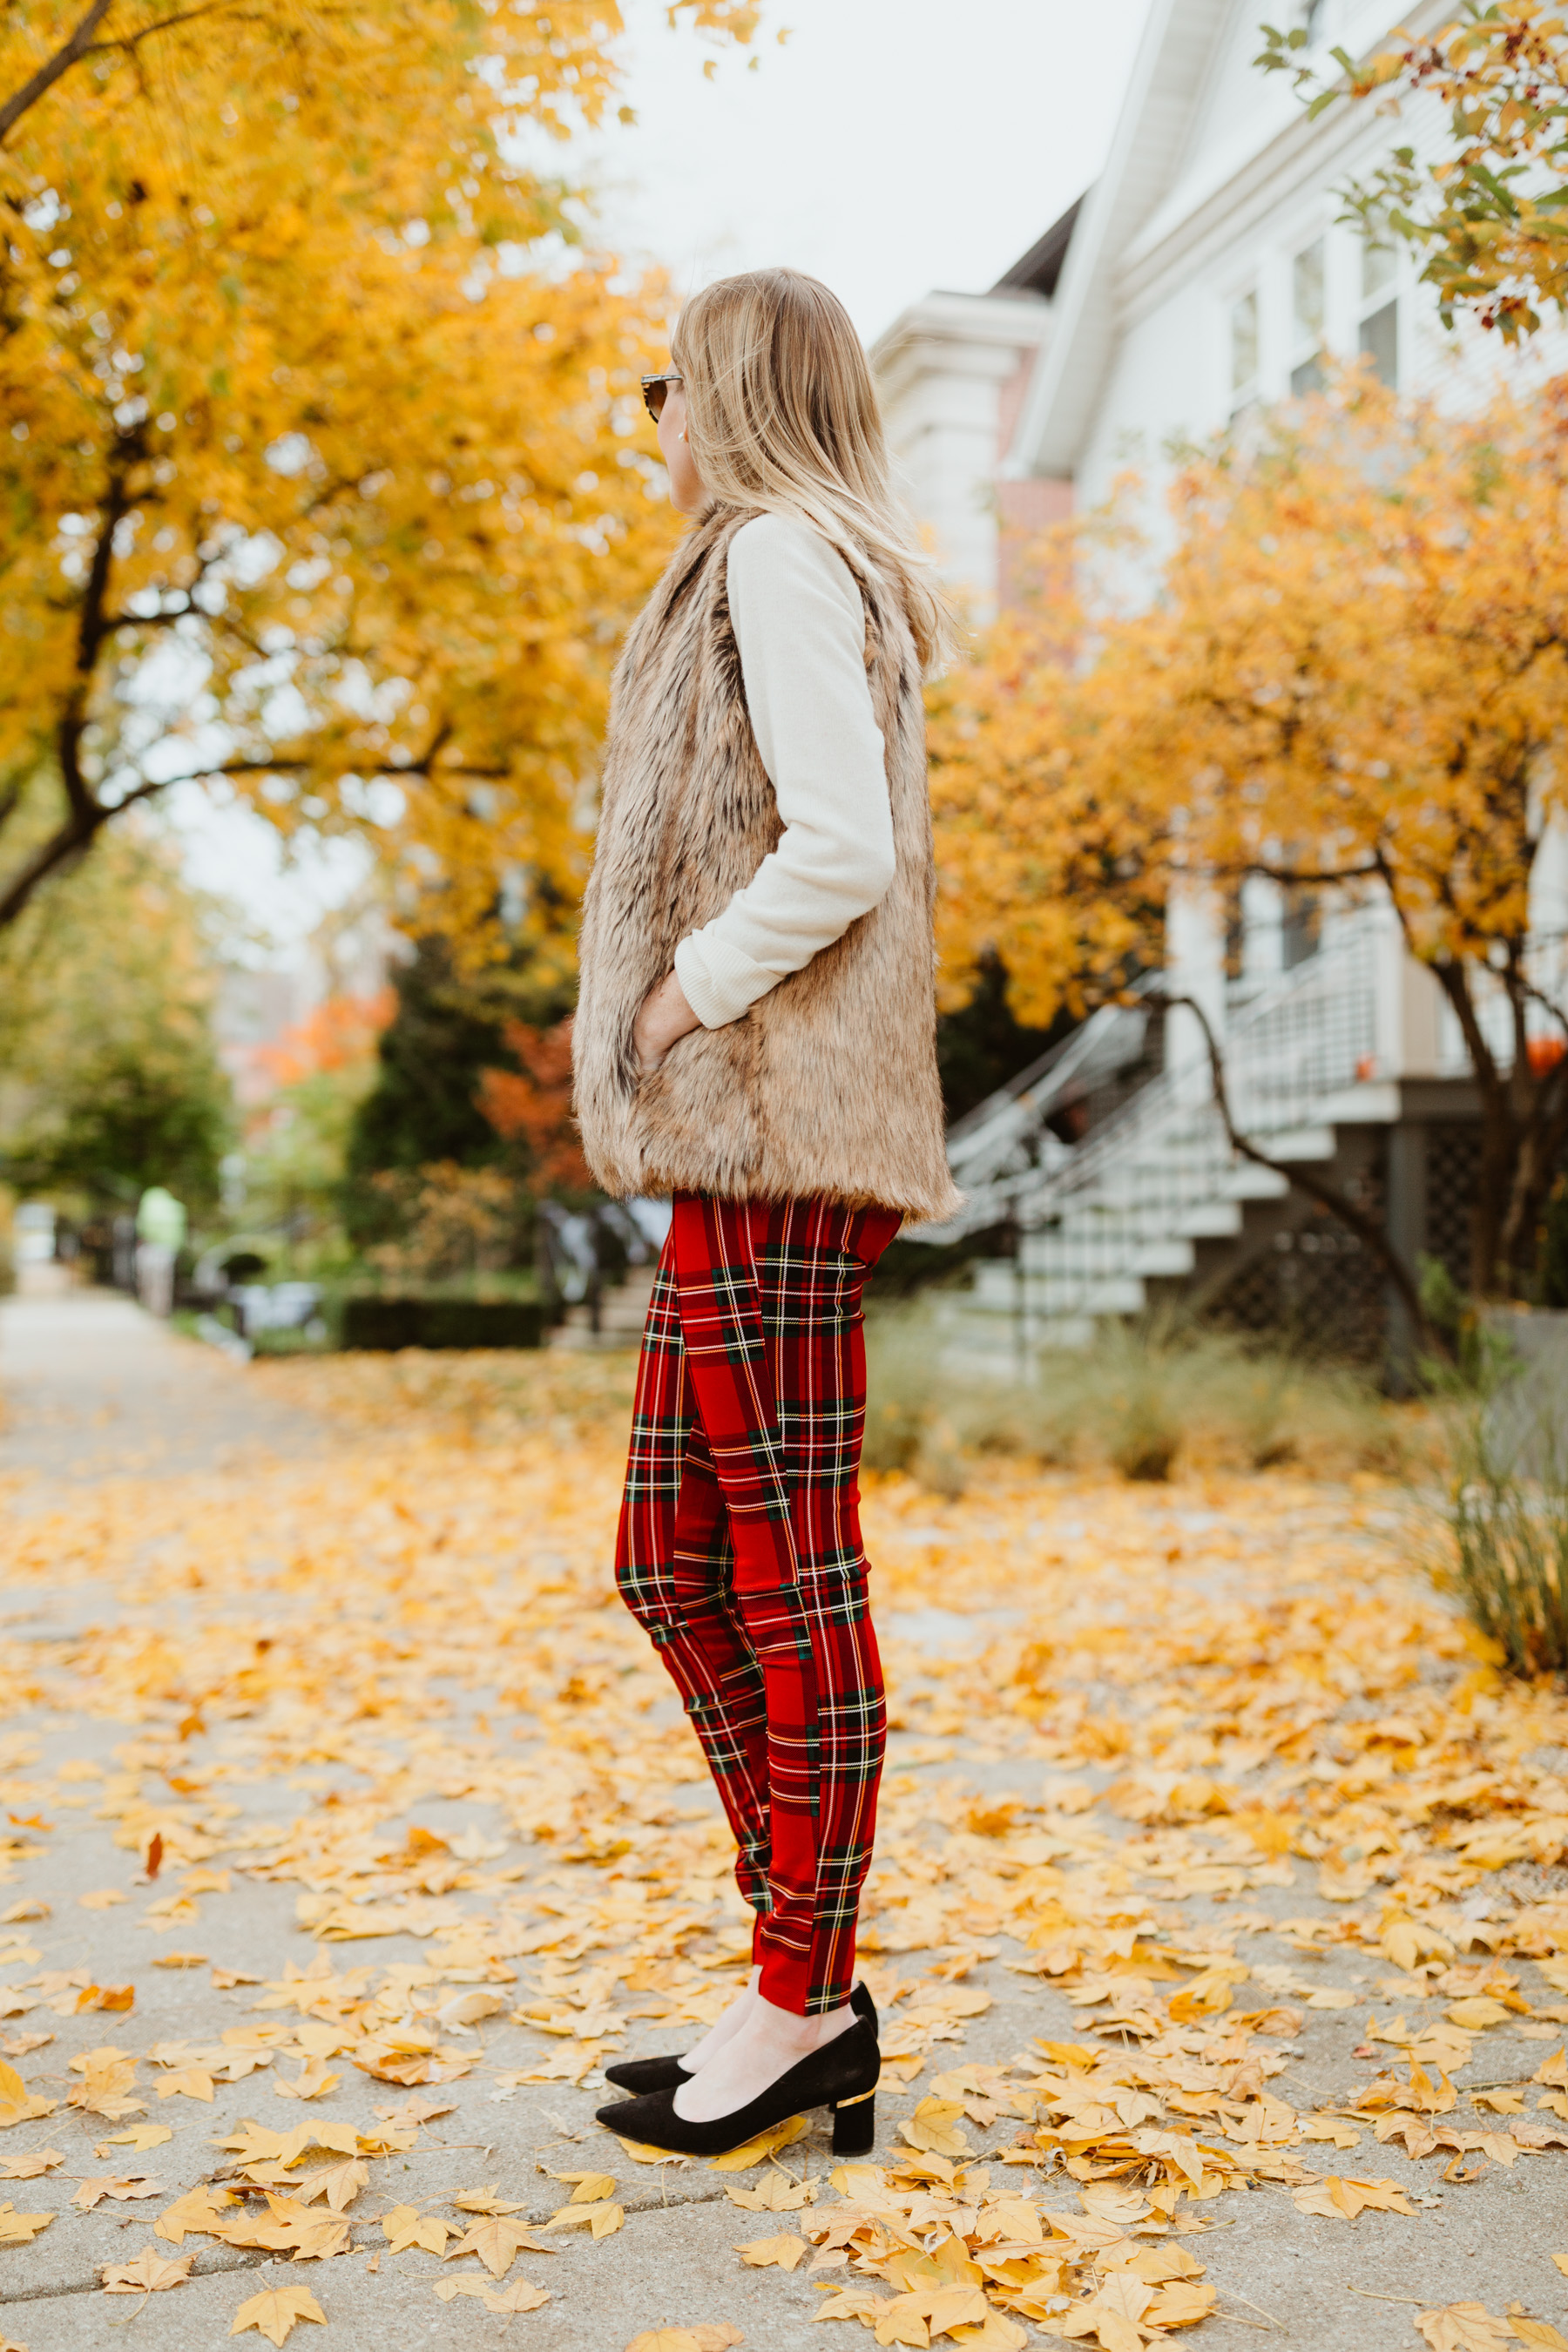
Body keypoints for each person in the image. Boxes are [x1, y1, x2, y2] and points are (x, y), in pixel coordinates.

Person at [572, 267, 961, 2159]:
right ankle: (799, 1972)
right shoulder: (770, 564)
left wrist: (674, 996)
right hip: (741, 1149)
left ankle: (804, 1995)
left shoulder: (780, 554)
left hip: (779, 1128)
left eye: (664, 381)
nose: (649, 414)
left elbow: (842, 845)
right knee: (672, 1559)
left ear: (728, 387)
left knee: (792, 1579)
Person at [134, 1186, 186, 1318]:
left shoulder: (149, 1207)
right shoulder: (176, 1208)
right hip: (168, 1250)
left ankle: (149, 1305)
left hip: (151, 1247)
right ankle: (162, 1309)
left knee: (148, 1278)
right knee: (164, 1280)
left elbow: (142, 1228)